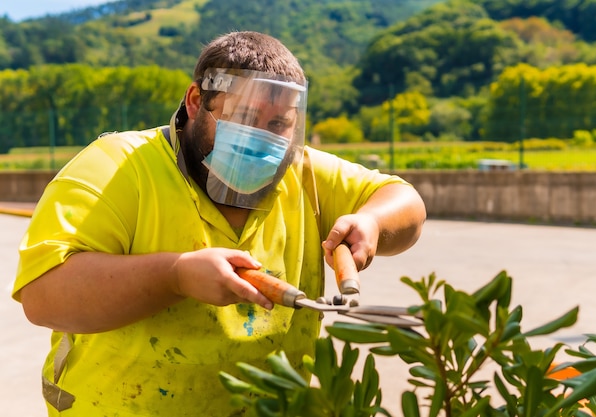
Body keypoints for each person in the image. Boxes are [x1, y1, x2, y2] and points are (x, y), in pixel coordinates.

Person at [12, 31, 426, 416]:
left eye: (278, 125)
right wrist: (175, 276)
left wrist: (371, 222)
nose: (261, 138)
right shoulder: (117, 166)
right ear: (196, 101)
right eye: (244, 116)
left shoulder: (305, 173)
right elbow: (44, 296)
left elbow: (405, 202)